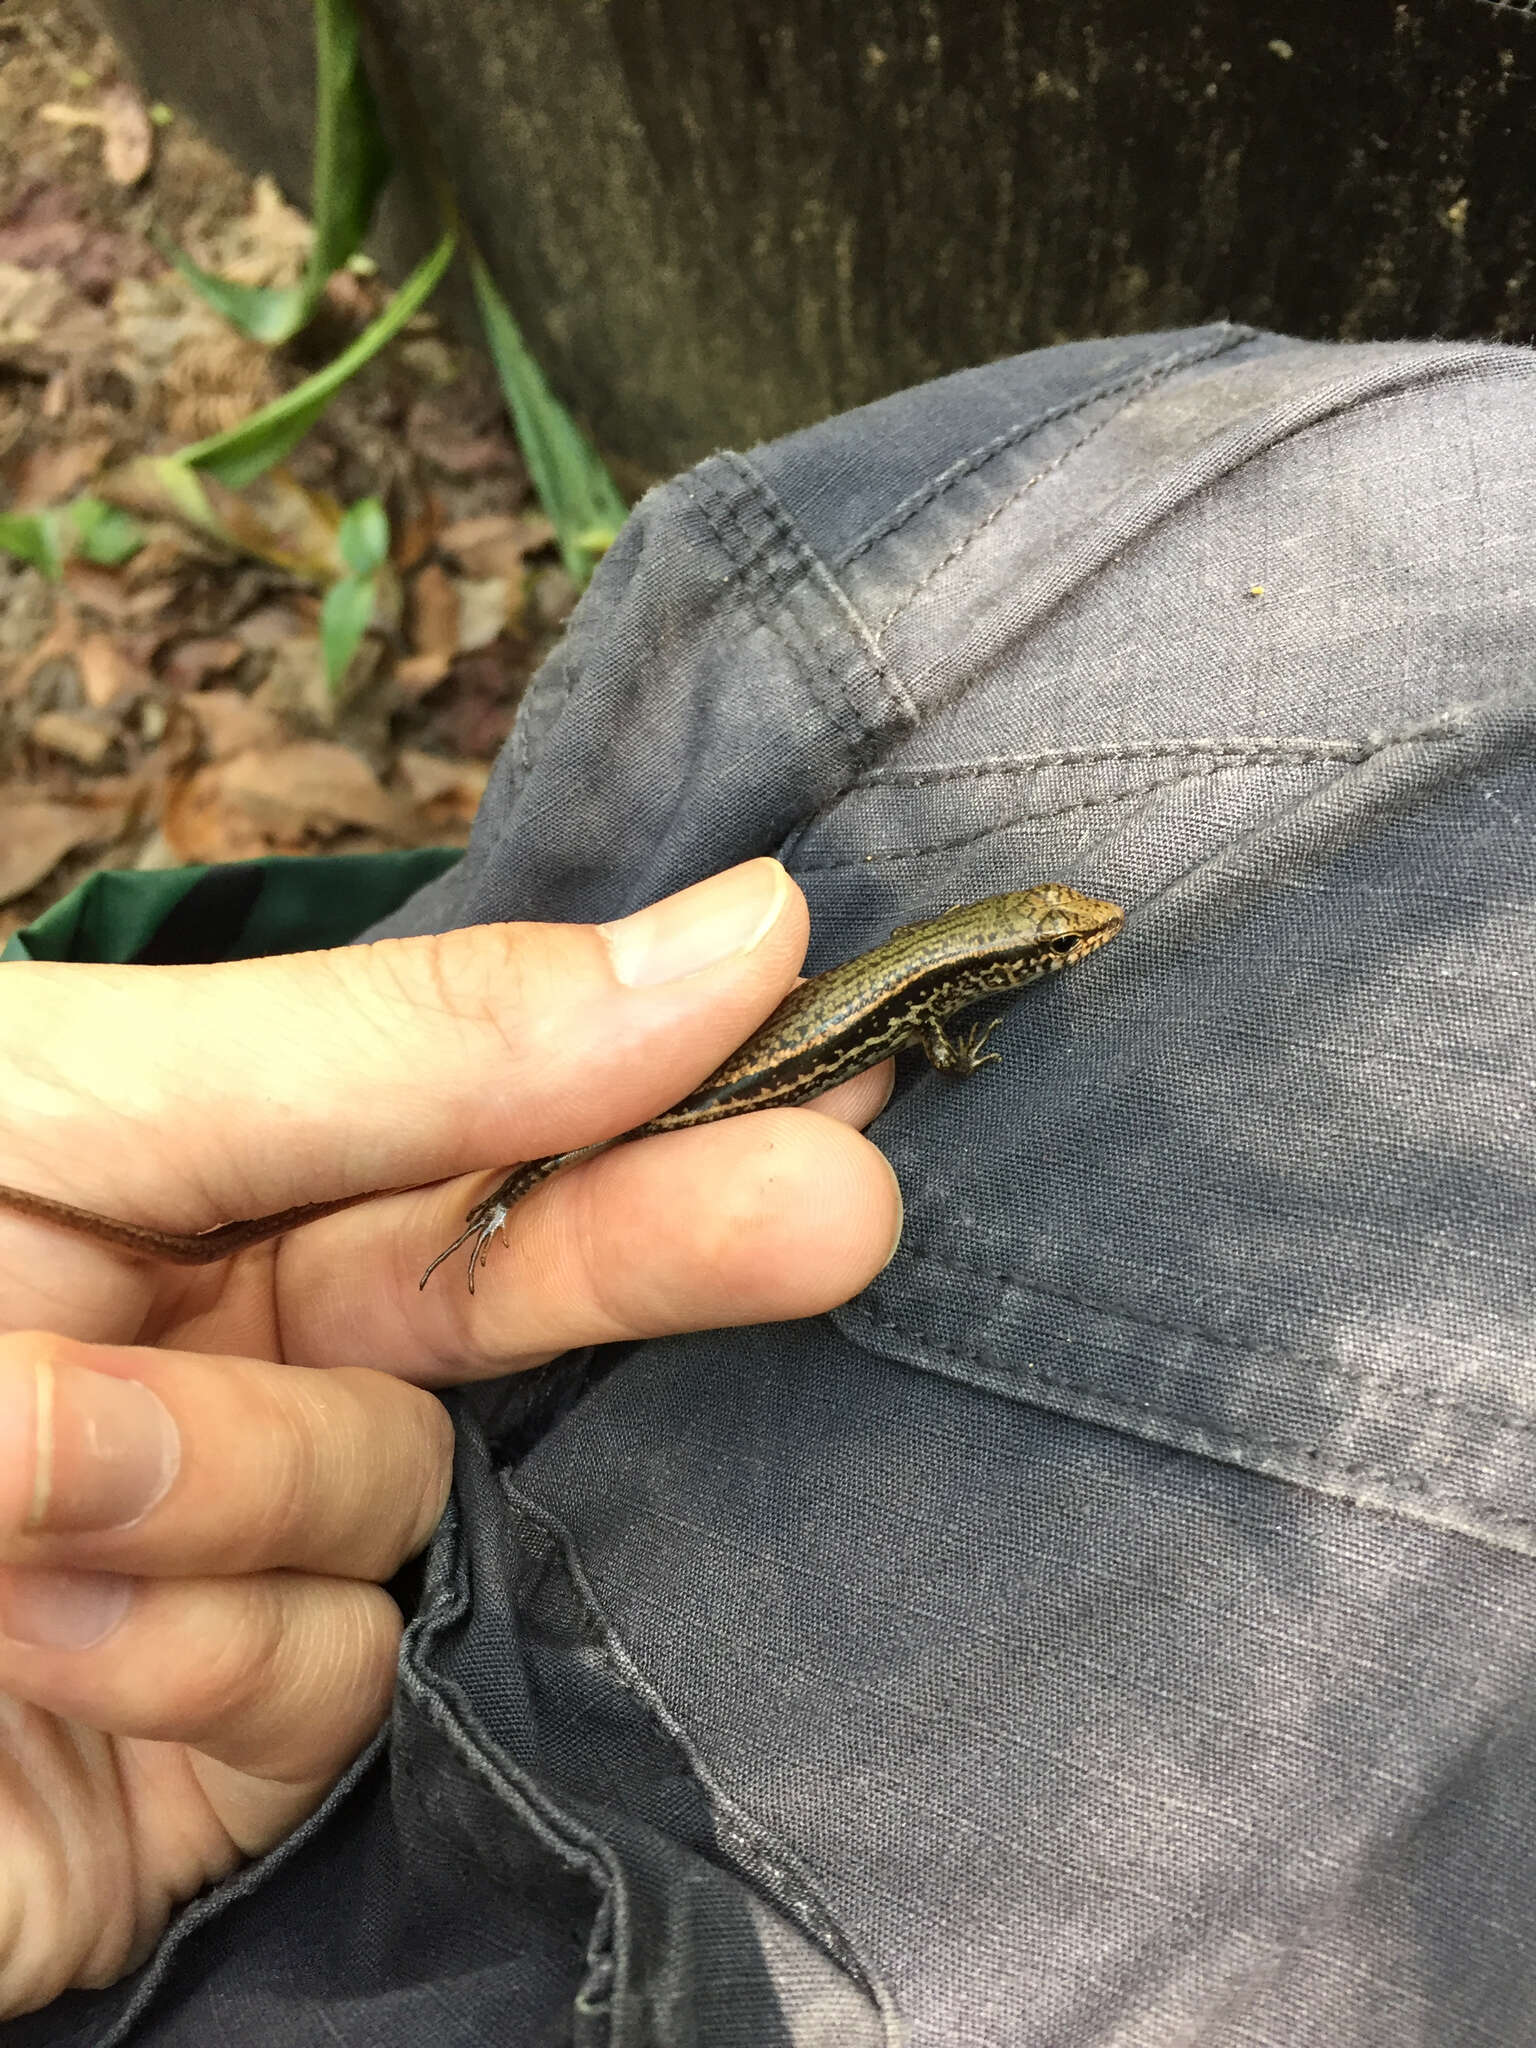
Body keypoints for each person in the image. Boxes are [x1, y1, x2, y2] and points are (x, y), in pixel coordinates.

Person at [6, 322, 1536, 2045]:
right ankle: (498, 1205)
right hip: (693, 1083)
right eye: (1063, 931)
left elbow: (942, 1013)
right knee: (581, 1153)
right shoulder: (959, 992)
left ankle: (496, 1205)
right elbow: (935, 1037)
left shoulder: (960, 970)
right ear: (1014, 953)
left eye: (1062, 932)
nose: (1082, 936)